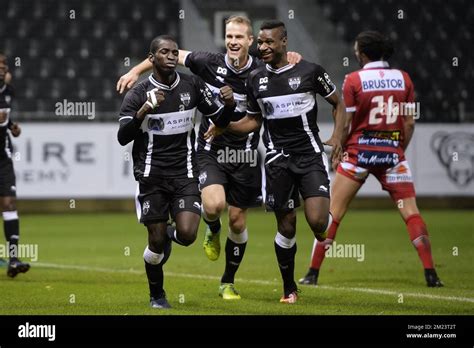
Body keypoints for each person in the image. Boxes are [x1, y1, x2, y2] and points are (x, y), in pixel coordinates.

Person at [117, 16, 301, 300]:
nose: (233, 41)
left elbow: (285, 62)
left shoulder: (263, 68)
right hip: (210, 148)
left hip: (246, 152)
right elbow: (169, 55)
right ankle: (211, 227)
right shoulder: (207, 62)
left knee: (238, 222)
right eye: (229, 36)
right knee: (214, 206)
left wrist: (292, 58)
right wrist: (135, 71)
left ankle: (227, 281)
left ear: (250, 41)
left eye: (240, 37)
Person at [205, 20, 345, 303]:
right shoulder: (256, 78)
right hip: (277, 160)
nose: (263, 47)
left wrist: (338, 137)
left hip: (309, 155)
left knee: (318, 223)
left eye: (270, 42)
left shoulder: (310, 71)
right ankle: (289, 288)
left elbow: (338, 102)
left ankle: (321, 226)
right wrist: (225, 127)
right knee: (287, 225)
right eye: (261, 43)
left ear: (284, 42)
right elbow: (254, 120)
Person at [298, 31, 443, 288]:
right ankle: (431, 273)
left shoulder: (354, 80)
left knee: (333, 213)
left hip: (359, 154)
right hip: (392, 154)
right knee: (411, 213)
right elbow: (409, 122)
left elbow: (346, 122)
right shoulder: (403, 79)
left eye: (356, 50)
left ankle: (312, 273)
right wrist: (398, 150)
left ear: (362, 53)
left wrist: (338, 149)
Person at [117, 35, 235, 308]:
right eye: (164, 52)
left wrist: (228, 106)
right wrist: (145, 110)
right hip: (151, 176)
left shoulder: (192, 84)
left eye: (174, 52)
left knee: (187, 235)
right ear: (152, 58)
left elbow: (220, 120)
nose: (171, 56)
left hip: (185, 173)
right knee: (155, 243)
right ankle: (157, 295)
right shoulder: (138, 93)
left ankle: (170, 235)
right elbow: (123, 137)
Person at [0, 56, 30, 277]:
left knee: (9, 204)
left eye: (4, 67)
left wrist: (12, 127)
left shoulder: (8, 91)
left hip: (3, 157)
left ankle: (13, 259)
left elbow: (5, 119)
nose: (2, 70)